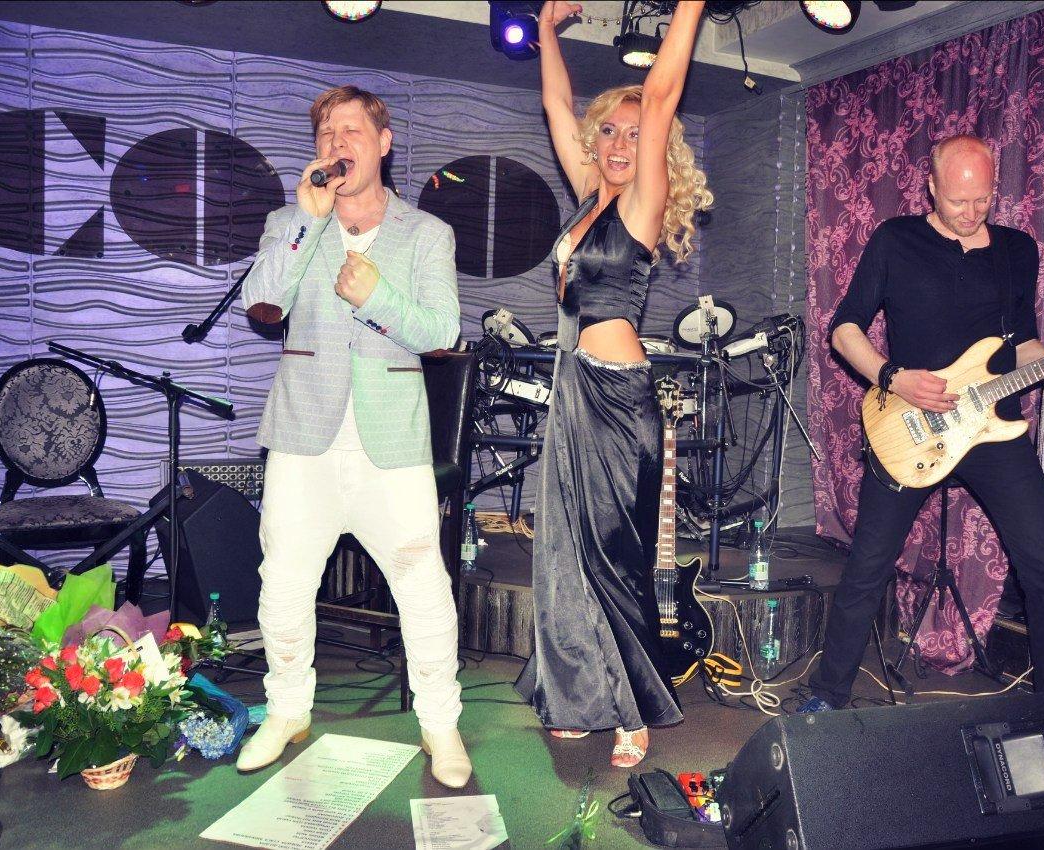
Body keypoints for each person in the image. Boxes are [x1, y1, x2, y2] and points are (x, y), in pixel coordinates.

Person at [808, 134, 1044, 709]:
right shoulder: (896, 240)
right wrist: (892, 377)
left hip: (993, 429)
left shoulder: (1017, 250)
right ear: (931, 187)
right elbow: (844, 329)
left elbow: (1021, 343)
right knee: (867, 567)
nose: (970, 212)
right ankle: (825, 699)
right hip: (909, 423)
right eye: (958, 200)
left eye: (982, 200)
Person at [236, 85, 471, 788]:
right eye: (326, 134)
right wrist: (305, 223)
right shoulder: (289, 220)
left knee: (422, 585)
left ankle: (440, 723)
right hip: (302, 433)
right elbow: (260, 301)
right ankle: (287, 710)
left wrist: (378, 298)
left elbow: (442, 330)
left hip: (390, 441)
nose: (337, 144)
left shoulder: (425, 234)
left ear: (384, 143)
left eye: (351, 131)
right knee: (283, 582)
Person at [513, 1, 713, 768]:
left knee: (614, 555)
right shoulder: (588, 195)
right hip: (572, 392)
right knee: (564, 552)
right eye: (610, 132)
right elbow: (555, 104)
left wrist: (689, 6)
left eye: (634, 134)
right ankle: (576, 695)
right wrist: (545, 29)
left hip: (618, 401)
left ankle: (632, 706)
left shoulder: (639, 202)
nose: (622, 143)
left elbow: (660, 94)